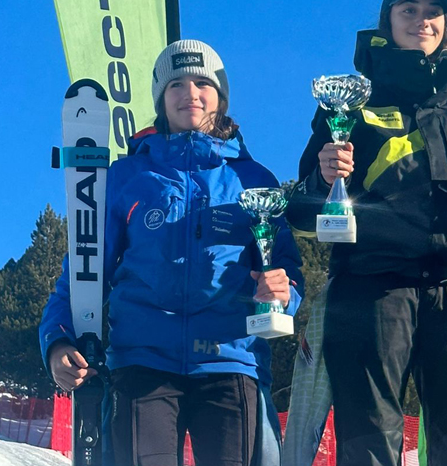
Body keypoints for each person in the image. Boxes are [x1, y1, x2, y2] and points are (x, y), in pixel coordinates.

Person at [286, 0, 447, 466]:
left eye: (432, 11)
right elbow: (306, 210)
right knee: (369, 439)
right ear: (388, 22)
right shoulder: (350, 106)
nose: (422, 20)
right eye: (409, 9)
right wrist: (322, 176)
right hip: (373, 286)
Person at [39, 39, 304, 466]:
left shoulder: (253, 178)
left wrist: (281, 292)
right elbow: (84, 268)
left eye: (203, 83)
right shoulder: (128, 176)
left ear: (221, 95)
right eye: (176, 84)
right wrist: (56, 340)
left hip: (230, 359)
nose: (191, 94)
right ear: (161, 98)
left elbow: (286, 268)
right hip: (143, 361)